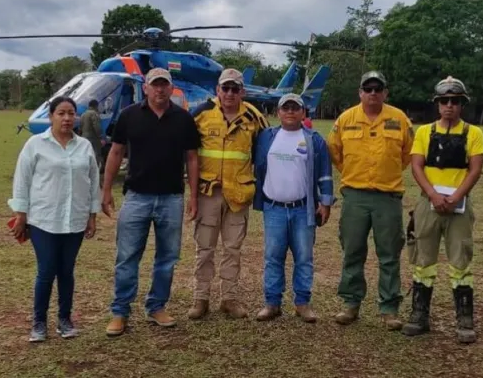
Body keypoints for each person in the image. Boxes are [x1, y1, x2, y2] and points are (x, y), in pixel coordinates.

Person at [101, 68, 201, 336]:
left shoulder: (183, 119)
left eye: (164, 85)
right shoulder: (129, 116)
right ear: (145, 88)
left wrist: (194, 196)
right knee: (127, 257)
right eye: (155, 85)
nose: (160, 90)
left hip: (172, 198)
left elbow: (192, 158)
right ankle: (120, 311)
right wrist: (106, 189)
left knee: (167, 258)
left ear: (171, 89)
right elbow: (116, 152)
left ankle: (156, 306)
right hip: (136, 197)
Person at [8, 96, 101, 343]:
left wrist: (92, 215)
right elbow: (22, 180)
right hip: (43, 220)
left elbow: (93, 182)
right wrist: (20, 215)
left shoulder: (84, 146)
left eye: (71, 113)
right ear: (51, 116)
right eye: (61, 113)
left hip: (75, 219)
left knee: (67, 271)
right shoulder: (35, 144)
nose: (67, 118)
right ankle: (39, 322)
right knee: (47, 271)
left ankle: (64, 319)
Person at [326, 70, 413, 331]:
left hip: (388, 196)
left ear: (385, 93)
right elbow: (335, 152)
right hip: (355, 196)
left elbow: (408, 154)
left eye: (378, 89)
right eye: (368, 88)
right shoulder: (345, 119)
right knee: (352, 251)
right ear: (360, 92)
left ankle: (389, 308)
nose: (373, 93)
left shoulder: (399, 119)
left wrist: (387, 173)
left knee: (389, 254)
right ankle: (351, 304)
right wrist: (354, 175)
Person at [402, 76, 483, 343]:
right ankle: (419, 314)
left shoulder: (474, 133)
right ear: (437, 105)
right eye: (445, 101)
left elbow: (475, 169)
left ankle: (464, 319)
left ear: (462, 105)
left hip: (458, 205)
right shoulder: (424, 132)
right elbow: (416, 166)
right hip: (429, 203)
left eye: (455, 101)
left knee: (461, 259)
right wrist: (433, 195)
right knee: (423, 259)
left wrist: (456, 196)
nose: (450, 106)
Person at [186, 68, 268, 319]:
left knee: (233, 249)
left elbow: (264, 154)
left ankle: (229, 298)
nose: (230, 93)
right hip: (208, 193)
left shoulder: (254, 117)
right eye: (226, 88)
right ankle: (201, 298)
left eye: (235, 88)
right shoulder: (200, 114)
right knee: (205, 249)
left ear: (242, 91)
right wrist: (191, 195)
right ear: (217, 90)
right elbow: (188, 153)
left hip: (238, 194)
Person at [252, 93, 334, 323]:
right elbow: (257, 167)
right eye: (285, 108)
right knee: (272, 257)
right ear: (278, 112)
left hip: (302, 209)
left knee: (304, 257)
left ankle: (302, 303)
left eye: (295, 108)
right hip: (274, 208)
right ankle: (272, 303)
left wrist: (325, 202)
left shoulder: (314, 139)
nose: (290, 112)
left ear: (303, 112)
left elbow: (325, 172)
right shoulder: (266, 137)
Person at [80, 99, 104, 171]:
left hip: (84, 137)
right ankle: (96, 169)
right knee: (96, 153)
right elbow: (96, 126)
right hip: (93, 137)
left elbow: (80, 127)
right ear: (96, 106)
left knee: (86, 153)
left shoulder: (83, 114)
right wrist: (100, 135)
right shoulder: (94, 114)